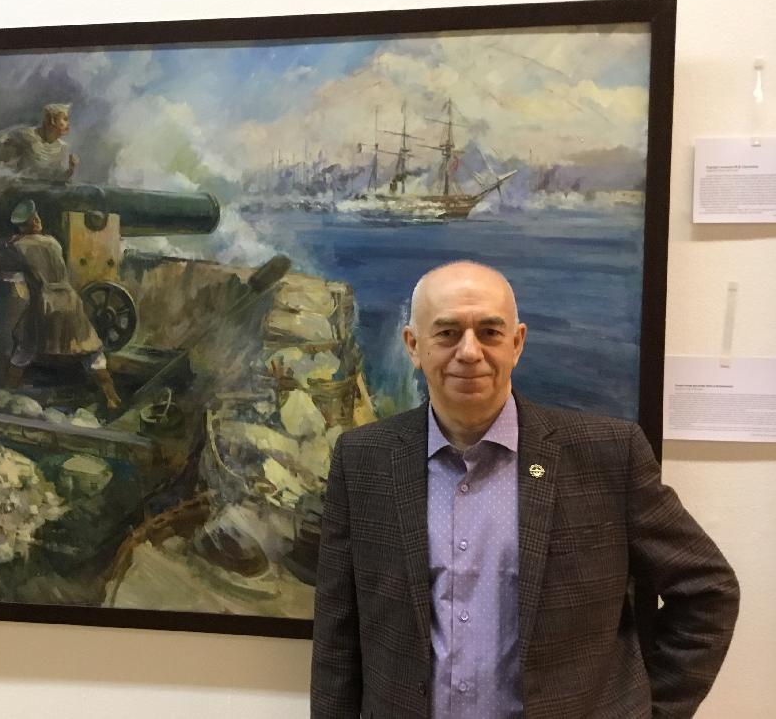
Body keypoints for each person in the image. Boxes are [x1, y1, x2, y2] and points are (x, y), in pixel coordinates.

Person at [310, 261, 739, 719]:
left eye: (489, 332)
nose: (469, 351)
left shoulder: (609, 455)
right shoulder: (363, 459)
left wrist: (650, 710)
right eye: (448, 333)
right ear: (413, 346)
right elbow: (338, 630)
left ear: (516, 344)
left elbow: (707, 589)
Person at [2, 199, 120, 410]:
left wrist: (13, 241)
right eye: (35, 218)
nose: (38, 220)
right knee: (91, 352)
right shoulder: (53, 242)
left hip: (45, 303)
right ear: (34, 222)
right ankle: (112, 398)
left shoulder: (18, 246)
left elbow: (7, 256)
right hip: (69, 300)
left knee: (24, 349)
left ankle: (7, 393)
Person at [0, 103, 80, 181]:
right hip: (21, 191)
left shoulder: (63, 148)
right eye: (65, 119)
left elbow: (57, 179)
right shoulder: (28, 136)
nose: (68, 124)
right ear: (51, 120)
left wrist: (71, 170)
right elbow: (1, 140)